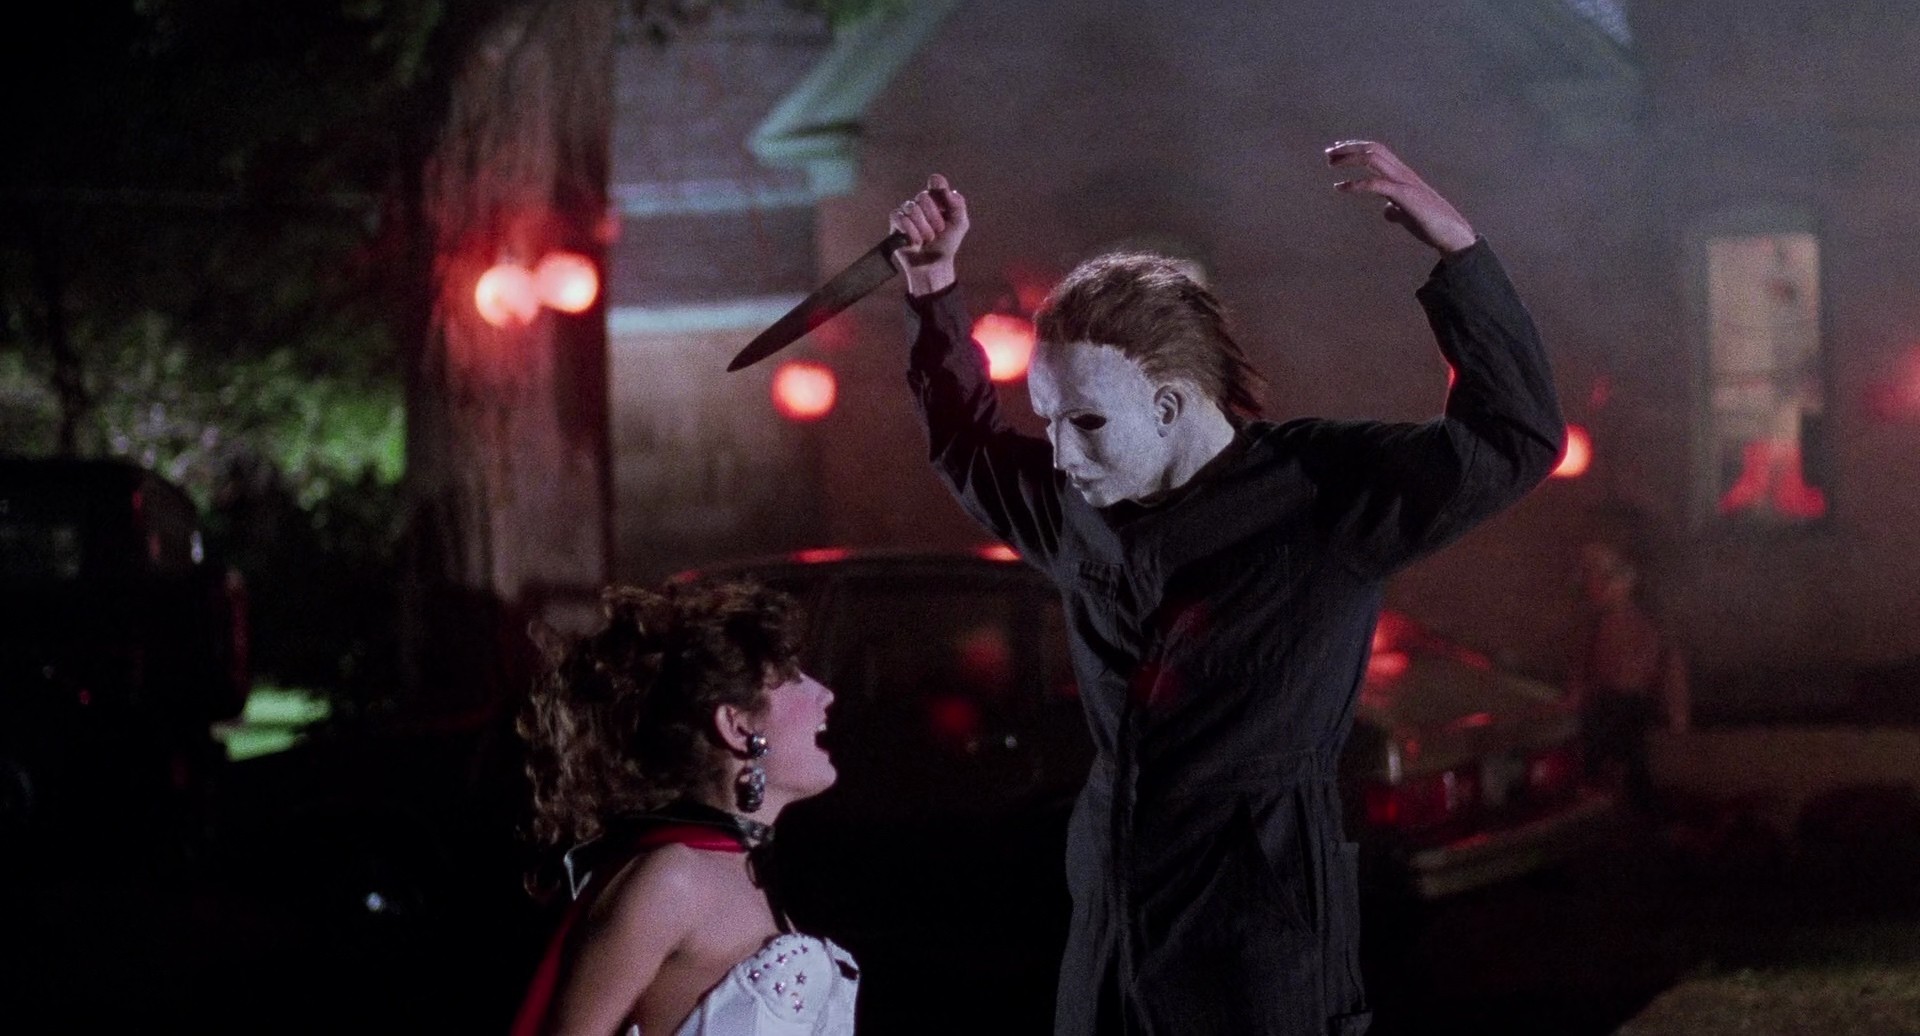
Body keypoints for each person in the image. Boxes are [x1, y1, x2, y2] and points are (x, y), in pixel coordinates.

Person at [886, 141, 1564, 1035]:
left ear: (1169, 405)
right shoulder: (1080, 503)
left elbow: (1513, 438)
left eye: (1086, 421)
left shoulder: (1319, 493)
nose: (1061, 453)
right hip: (1113, 921)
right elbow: (967, 445)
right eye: (1048, 421)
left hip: (1258, 929)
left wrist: (1461, 257)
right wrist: (933, 292)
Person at [511, 580, 857, 1036]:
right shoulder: (673, 879)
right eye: (791, 678)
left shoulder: (750, 875)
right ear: (737, 727)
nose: (825, 694)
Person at [1567, 539, 1690, 813]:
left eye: (1607, 576)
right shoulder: (1594, 627)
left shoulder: (1651, 624)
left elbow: (1671, 670)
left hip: (1633, 712)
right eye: (1592, 575)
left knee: (1633, 775)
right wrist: (1575, 699)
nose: (1598, 585)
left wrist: (1677, 714)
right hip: (1599, 713)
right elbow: (1580, 671)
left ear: (1629, 577)